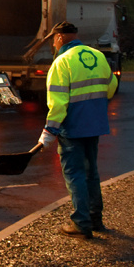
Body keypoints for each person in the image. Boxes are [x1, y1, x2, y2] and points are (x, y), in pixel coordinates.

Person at [38, 21, 118, 238]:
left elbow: (58, 103)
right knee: (92, 172)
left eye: (53, 39)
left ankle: (81, 224)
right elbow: (111, 88)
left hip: (72, 127)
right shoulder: (99, 56)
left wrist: (49, 132)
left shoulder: (62, 62)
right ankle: (95, 219)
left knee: (75, 174)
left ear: (60, 38)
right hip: (96, 125)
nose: (53, 44)